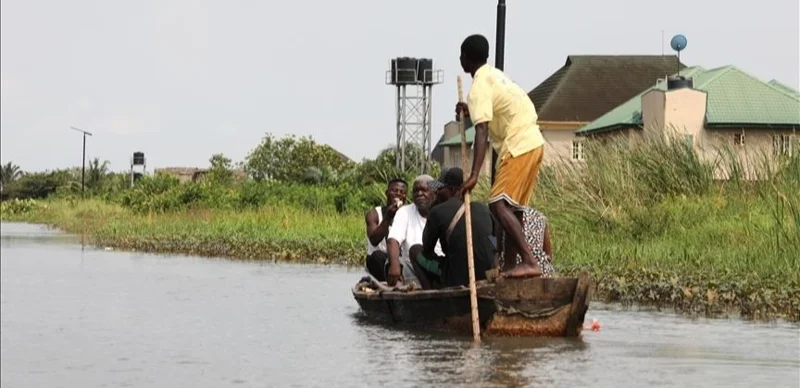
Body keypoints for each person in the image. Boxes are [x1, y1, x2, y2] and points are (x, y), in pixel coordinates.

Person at [455, 33, 546, 279]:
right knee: (512, 208)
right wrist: (467, 110)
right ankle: (509, 268)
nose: (459, 60)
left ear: (467, 59)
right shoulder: (495, 76)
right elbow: (490, 113)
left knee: (497, 203)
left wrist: (474, 175)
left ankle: (529, 261)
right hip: (533, 142)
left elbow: (482, 131)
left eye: (461, 55)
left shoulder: (479, 87)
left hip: (519, 145)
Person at [408, 167, 497, 290]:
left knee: (414, 250)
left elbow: (427, 250)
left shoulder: (437, 211)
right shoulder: (483, 208)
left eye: (440, 188)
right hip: (487, 276)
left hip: (457, 279)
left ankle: (430, 295)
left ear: (453, 189)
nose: (437, 192)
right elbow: (495, 244)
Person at [386, 175, 443, 287]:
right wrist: (394, 265)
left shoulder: (442, 211)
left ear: (434, 193)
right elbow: (393, 240)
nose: (419, 194)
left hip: (437, 265)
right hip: (412, 268)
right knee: (392, 262)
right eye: (416, 191)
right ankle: (402, 294)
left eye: (424, 190)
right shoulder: (404, 212)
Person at [364, 178, 408, 281]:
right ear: (387, 192)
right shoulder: (374, 214)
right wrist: (388, 217)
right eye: (394, 190)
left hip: (400, 261)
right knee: (378, 256)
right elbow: (374, 240)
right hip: (379, 262)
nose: (398, 194)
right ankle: (388, 284)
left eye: (402, 192)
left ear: (405, 196)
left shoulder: (407, 214)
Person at [498, 207, 556, 278]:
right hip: (542, 270)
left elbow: (499, 249)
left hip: (515, 270)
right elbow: (548, 255)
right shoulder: (539, 216)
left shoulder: (505, 217)